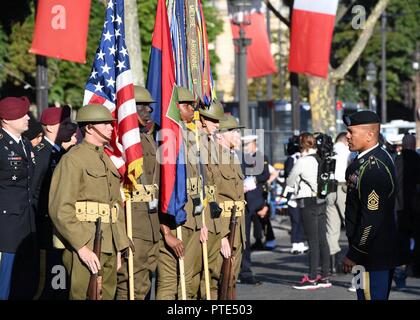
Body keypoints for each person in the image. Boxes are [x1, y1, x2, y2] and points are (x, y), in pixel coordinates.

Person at [48, 104, 130, 300]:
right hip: (84, 241)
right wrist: (81, 247)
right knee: (83, 295)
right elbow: (61, 209)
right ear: (89, 127)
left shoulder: (107, 160)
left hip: (109, 242)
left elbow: (115, 207)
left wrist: (119, 247)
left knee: (107, 296)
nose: (112, 127)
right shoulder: (73, 160)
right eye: (106, 123)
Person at [342, 110, 398, 300]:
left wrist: (355, 253)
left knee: (369, 297)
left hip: (372, 255)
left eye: (351, 131)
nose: (347, 136)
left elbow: (371, 220)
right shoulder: (362, 162)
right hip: (365, 254)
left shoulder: (374, 167)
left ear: (370, 134)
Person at [155, 87, 204, 300]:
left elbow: (198, 187)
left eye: (192, 105)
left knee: (189, 282)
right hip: (172, 222)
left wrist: (203, 223)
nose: (192, 109)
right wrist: (166, 232)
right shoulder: (165, 141)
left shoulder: (191, 139)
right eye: (186, 105)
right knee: (169, 284)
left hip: (192, 220)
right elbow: (160, 192)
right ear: (175, 108)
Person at [116, 86, 161, 300]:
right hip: (132, 218)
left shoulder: (146, 138)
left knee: (144, 279)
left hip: (149, 219)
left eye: (149, 107)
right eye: (142, 107)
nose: (149, 111)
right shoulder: (123, 140)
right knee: (131, 281)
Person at [31, 106, 77, 300]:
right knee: (45, 284)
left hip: (59, 229)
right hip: (45, 230)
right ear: (50, 127)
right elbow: (33, 194)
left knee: (59, 284)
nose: (72, 128)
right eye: (65, 124)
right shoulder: (42, 154)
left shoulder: (61, 154)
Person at [0, 96, 38, 300]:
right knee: (4, 283)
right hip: (7, 226)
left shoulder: (25, 143)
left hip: (26, 223)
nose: (27, 117)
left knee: (23, 283)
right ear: (6, 119)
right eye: (22, 114)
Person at [287, 132, 331, 290]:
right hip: (321, 199)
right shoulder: (320, 158)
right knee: (322, 239)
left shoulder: (303, 161)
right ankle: (325, 275)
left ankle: (312, 277)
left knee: (312, 241)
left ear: (302, 143)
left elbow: (290, 179)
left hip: (307, 200)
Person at [194, 100, 225, 299]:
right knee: (194, 277)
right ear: (202, 120)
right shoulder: (194, 143)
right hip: (200, 216)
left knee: (213, 275)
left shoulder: (209, 145)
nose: (217, 125)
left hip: (214, 216)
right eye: (213, 120)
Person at [214, 115, 246, 294]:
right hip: (224, 227)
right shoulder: (213, 158)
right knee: (219, 279)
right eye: (233, 132)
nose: (237, 136)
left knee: (231, 279)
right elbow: (212, 200)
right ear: (219, 135)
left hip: (237, 226)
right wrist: (221, 236)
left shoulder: (232, 158)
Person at [238, 134, 268, 286]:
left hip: (253, 200)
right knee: (241, 238)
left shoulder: (260, 157)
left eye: (247, 144)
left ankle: (245, 270)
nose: (244, 147)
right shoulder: (240, 157)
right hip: (241, 200)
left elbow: (264, 175)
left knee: (246, 238)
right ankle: (240, 270)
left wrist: (262, 203)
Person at [393, 133, 420, 290]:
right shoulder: (418, 160)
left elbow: (394, 183)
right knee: (416, 239)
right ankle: (414, 267)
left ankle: (401, 276)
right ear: (414, 144)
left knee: (402, 241)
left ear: (403, 144)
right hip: (416, 207)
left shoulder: (397, 160)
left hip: (400, 207)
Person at [325, 132, 351, 275]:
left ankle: (332, 266)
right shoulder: (348, 152)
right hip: (343, 188)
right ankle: (351, 262)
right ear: (345, 140)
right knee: (350, 224)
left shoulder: (328, 152)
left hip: (329, 188)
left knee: (331, 228)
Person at [283, 135, 307, 255]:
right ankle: (295, 244)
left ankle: (301, 243)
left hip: (301, 193)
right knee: (295, 219)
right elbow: (289, 175)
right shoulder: (291, 159)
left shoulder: (303, 158)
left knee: (302, 218)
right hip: (292, 193)